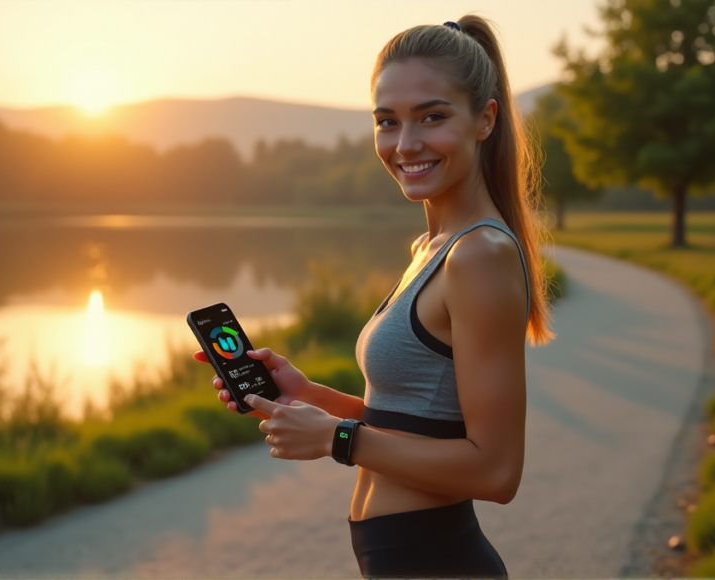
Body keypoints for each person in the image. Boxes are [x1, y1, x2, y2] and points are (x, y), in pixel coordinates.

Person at [193, 14, 555, 579]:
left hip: (438, 561)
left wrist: (338, 439)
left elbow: (495, 472)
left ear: (484, 120)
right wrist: (308, 394)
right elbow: (413, 426)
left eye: (431, 117)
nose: (405, 144)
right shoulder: (432, 247)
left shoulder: (479, 256)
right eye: (387, 122)